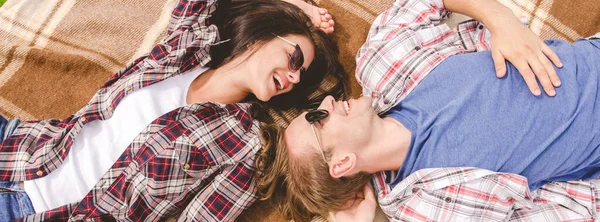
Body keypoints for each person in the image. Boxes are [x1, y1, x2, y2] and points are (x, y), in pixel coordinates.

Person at [0, 0, 346, 221]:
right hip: (17, 148)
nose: (293, 76)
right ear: (264, 35)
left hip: (36, 211)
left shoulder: (247, 146)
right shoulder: (189, 45)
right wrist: (298, 7)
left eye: (299, 77)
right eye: (294, 59)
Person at [257, 0, 600, 221]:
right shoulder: (426, 205)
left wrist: (502, 21)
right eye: (320, 118)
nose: (327, 102)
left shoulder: (385, 63)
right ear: (343, 162)